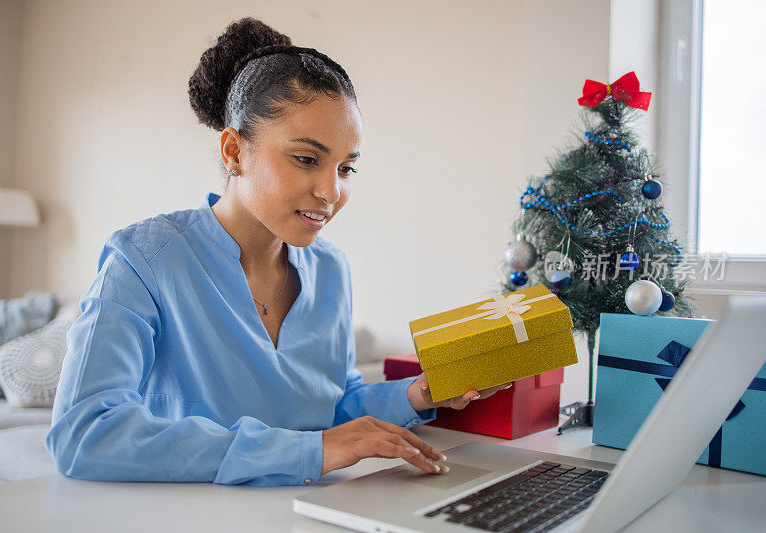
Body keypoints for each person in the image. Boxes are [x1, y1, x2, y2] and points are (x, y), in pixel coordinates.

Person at [45, 17, 508, 487]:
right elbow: (85, 433)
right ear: (233, 151)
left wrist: (417, 394)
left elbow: (329, 405)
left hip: (314, 510)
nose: (331, 191)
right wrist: (309, 450)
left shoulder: (331, 269)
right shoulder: (144, 260)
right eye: (307, 159)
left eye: (346, 168)